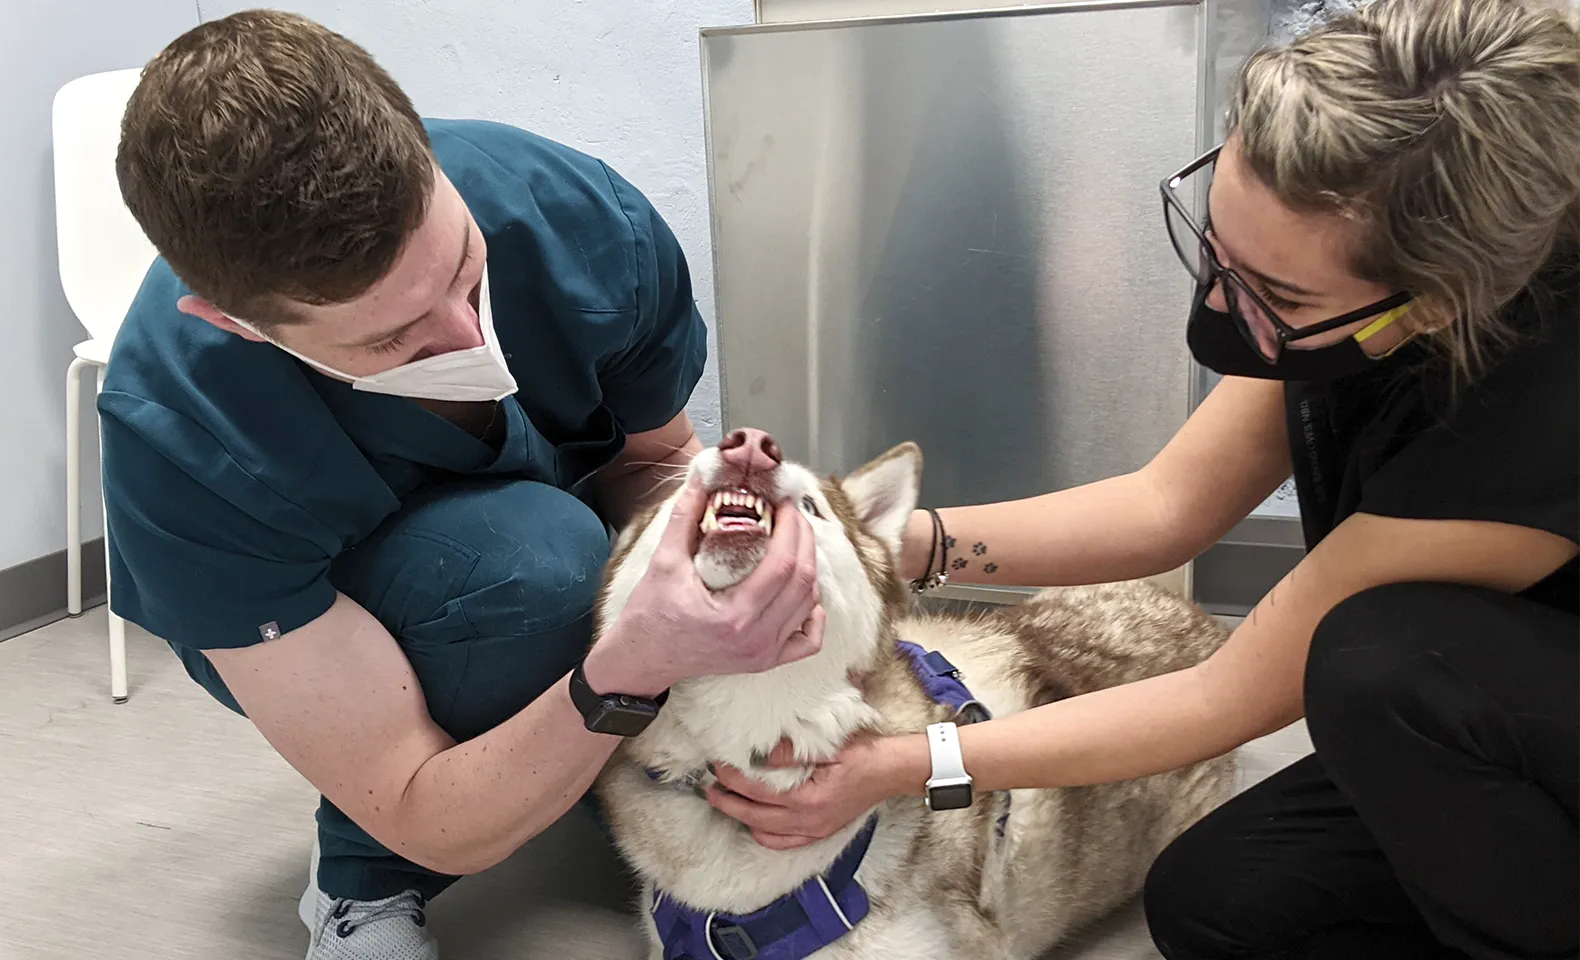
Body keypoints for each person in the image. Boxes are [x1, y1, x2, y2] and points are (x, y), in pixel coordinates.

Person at [700, 1, 1579, 958]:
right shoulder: (1351, 289)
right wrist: (879, 546)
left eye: (1276, 296)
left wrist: (904, 765)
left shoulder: (1539, 415)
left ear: (1438, 302)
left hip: (1499, 700)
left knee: (1376, 662)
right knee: (1217, 905)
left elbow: (1223, 700)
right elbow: (1168, 507)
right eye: (1218, 250)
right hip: (1466, 715)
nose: (1217, 304)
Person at [102, 11, 823, 960]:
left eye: (463, 273)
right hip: (341, 622)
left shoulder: (581, 220)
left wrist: (712, 557)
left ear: (427, 159)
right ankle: (359, 885)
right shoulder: (181, 432)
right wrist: (627, 673)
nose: (467, 339)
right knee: (537, 573)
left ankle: (563, 759)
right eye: (389, 341)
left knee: (578, 561)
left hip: (539, 537)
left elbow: (644, 465)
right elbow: (414, 802)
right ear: (236, 324)